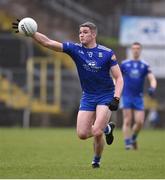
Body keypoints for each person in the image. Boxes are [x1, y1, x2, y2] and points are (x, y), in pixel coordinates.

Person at [12, 20, 123, 168]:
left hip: (106, 95)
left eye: (85, 32)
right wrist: (32, 33)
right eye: (80, 32)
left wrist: (116, 98)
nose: (81, 35)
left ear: (94, 34)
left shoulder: (107, 53)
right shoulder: (75, 49)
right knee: (82, 134)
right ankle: (107, 128)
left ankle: (96, 160)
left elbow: (119, 78)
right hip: (88, 95)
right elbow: (47, 43)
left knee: (96, 131)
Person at [120, 42, 157, 150]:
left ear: (140, 50)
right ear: (131, 50)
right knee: (127, 120)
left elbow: (152, 78)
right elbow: (117, 77)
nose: (136, 50)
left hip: (138, 97)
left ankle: (133, 138)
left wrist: (152, 87)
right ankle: (127, 143)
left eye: (138, 48)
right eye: (134, 48)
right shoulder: (125, 64)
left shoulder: (144, 65)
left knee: (140, 122)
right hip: (126, 96)